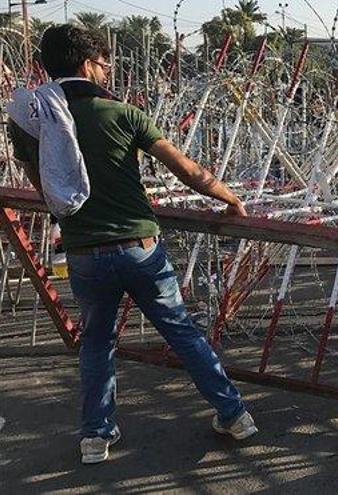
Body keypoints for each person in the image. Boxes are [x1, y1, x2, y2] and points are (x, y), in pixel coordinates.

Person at [7, 25, 258, 465]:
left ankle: (95, 437)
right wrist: (230, 198)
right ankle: (235, 415)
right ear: (88, 64)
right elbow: (186, 169)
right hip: (140, 248)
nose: (106, 71)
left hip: (85, 253)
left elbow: (43, 185)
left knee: (97, 344)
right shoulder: (121, 113)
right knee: (181, 332)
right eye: (103, 64)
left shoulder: (31, 117)